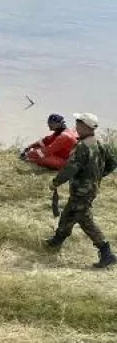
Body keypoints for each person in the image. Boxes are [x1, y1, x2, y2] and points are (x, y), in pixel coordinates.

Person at [46, 113, 116, 269]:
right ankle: (57, 240)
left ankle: (106, 251)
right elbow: (112, 163)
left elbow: (70, 168)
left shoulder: (82, 146)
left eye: (78, 123)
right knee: (69, 212)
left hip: (81, 190)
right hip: (91, 187)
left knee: (84, 219)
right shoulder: (100, 142)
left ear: (85, 126)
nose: (76, 126)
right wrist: (98, 176)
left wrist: (55, 183)